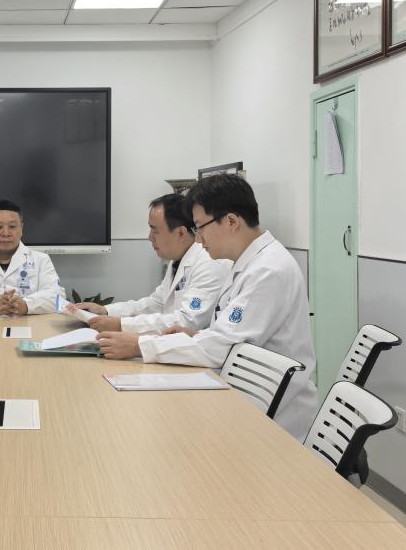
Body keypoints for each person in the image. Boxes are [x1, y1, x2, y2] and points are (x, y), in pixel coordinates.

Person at [95, 175, 317, 440]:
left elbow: (223, 346)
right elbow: (231, 334)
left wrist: (139, 345)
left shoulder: (269, 270)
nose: (198, 240)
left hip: (273, 420)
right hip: (242, 396)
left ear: (231, 221)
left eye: (200, 227)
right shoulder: (247, 264)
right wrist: (197, 336)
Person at [72, 193, 230, 334]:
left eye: (155, 230)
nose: (149, 237)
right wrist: (106, 311)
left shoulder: (209, 263)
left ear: (181, 233)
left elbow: (188, 321)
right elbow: (156, 303)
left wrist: (121, 324)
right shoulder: (178, 258)